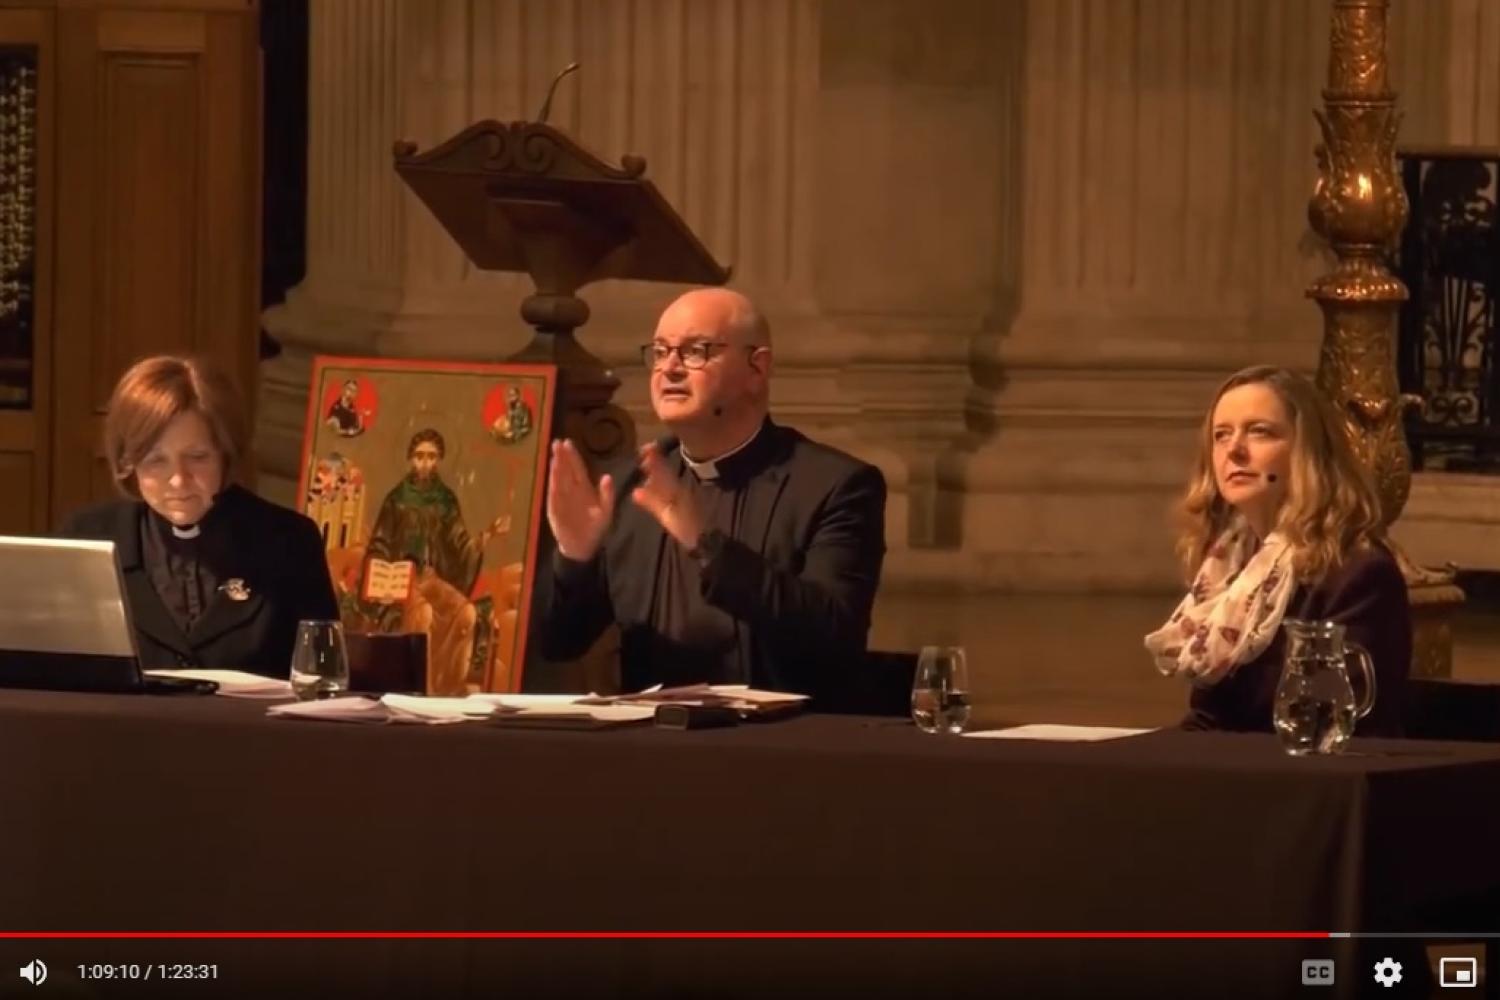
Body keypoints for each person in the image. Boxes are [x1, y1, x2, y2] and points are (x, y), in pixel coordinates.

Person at [539, 287, 887, 697]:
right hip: (649, 746)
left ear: (757, 368)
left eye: (695, 351)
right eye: (661, 351)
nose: (669, 368)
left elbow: (835, 640)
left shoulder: (835, 486)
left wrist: (706, 545)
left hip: (781, 745)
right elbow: (559, 643)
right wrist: (575, 557)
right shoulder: (629, 486)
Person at [1144, 365, 1410, 735]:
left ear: (1307, 451)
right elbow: (1208, 722)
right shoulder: (1227, 566)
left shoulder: (1357, 574)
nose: (1234, 450)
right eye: (1221, 435)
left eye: (1259, 432)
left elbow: (1338, 728)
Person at [60, 355, 339, 675]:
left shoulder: (289, 541)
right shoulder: (86, 537)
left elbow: (324, 678)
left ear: (226, 453)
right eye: (155, 461)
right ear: (129, 462)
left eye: (197, 457)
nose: (178, 480)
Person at [362, 428, 510, 692]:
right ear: (410, 458)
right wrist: (381, 581)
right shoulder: (396, 500)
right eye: (419, 456)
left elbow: (459, 544)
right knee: (424, 615)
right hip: (403, 581)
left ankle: (448, 688)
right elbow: (379, 544)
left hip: (433, 579)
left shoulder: (446, 500)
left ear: (439, 459)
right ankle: (422, 689)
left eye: (431, 456)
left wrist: (486, 535)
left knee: (466, 612)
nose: (425, 463)